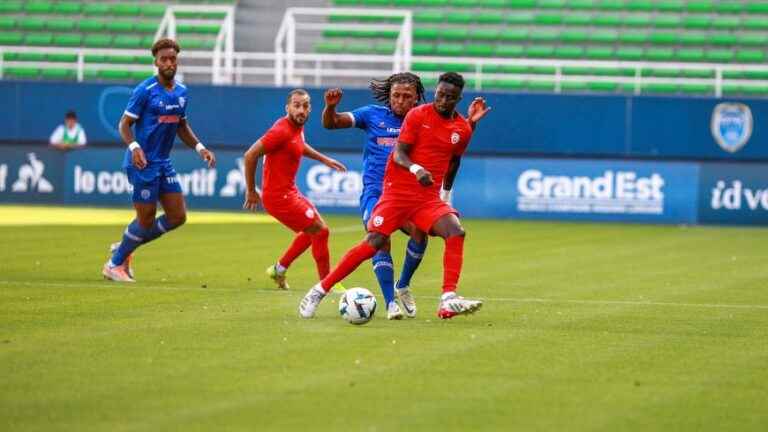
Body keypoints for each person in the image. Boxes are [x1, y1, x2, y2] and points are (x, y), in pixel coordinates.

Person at [299, 72, 491, 320]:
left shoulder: (461, 128)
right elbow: (398, 154)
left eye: (450, 97)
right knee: (375, 242)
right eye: (441, 95)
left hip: (426, 198)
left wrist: (446, 196)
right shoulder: (415, 115)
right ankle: (320, 290)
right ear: (435, 93)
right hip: (393, 193)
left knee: (455, 231)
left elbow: (453, 156)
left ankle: (447, 298)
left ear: (458, 98)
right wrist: (416, 168)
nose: (443, 100)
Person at [102, 38, 216, 282]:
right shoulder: (145, 91)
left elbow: (181, 125)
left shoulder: (182, 92)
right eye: (164, 59)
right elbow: (124, 124)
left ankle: (124, 249)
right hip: (142, 163)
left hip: (163, 162)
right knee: (145, 220)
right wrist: (134, 147)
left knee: (177, 217)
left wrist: (200, 147)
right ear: (155, 61)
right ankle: (114, 265)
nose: (169, 63)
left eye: (172, 59)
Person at [322, 72, 430, 320]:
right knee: (380, 240)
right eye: (396, 95)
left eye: (406, 96)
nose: (400, 100)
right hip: (376, 193)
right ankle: (390, 304)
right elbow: (332, 123)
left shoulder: (424, 118)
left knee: (419, 233)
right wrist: (330, 108)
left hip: (406, 195)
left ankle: (402, 285)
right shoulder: (372, 114)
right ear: (389, 96)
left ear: (416, 99)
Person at [243, 89, 347, 290]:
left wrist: (324, 159)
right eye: (297, 105)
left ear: (310, 108)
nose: (301, 110)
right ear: (287, 108)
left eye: (305, 106)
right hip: (278, 198)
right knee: (320, 231)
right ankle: (328, 284)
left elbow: (299, 145)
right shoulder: (280, 131)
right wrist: (251, 190)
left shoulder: (296, 127)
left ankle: (279, 269)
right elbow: (250, 155)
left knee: (312, 231)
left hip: (290, 191)